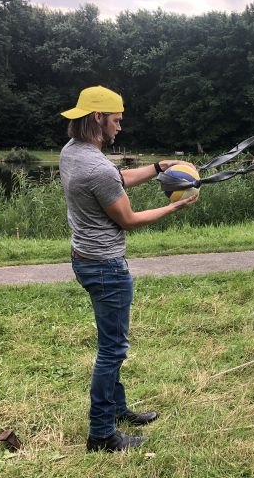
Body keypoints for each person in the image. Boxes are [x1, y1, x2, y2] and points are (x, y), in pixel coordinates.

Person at [59, 85, 197, 452]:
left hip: (86, 258)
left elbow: (117, 180)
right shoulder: (96, 167)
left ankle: (117, 410)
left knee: (111, 344)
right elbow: (130, 219)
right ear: (98, 118)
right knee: (112, 350)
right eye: (116, 120)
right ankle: (102, 434)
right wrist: (175, 208)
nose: (120, 127)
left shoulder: (73, 152)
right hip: (106, 268)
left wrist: (157, 168)